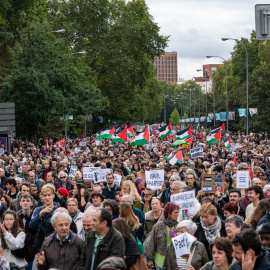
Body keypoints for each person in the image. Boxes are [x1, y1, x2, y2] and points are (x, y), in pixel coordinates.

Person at [147, 202, 180, 270]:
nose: (178, 214)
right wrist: (149, 259)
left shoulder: (179, 226)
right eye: (176, 212)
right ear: (169, 213)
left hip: (174, 261)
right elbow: (151, 243)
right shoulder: (158, 226)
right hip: (160, 260)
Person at [17, 194, 36, 270]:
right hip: (18, 253)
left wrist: (23, 236)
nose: (25, 203)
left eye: (28, 201)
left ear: (32, 203)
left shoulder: (36, 216)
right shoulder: (15, 216)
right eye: (23, 201)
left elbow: (37, 235)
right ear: (20, 203)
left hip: (32, 253)